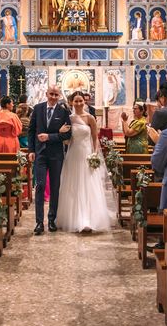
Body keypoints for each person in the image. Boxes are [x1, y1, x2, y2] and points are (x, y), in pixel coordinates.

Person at [55, 91, 116, 232]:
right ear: (71, 102)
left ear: (84, 102)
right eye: (75, 101)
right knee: (74, 185)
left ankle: (89, 218)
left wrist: (95, 154)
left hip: (87, 154)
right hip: (73, 154)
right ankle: (75, 218)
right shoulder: (68, 118)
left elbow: (95, 137)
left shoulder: (90, 118)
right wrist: (60, 132)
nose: (78, 103)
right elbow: (66, 140)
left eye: (80, 101)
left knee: (88, 184)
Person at [28, 85, 72, 235]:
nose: (53, 97)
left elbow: (67, 135)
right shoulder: (38, 108)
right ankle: (39, 222)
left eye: (56, 95)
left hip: (56, 154)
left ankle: (51, 219)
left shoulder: (63, 111)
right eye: (51, 94)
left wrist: (50, 137)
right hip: (40, 153)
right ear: (46, 94)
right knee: (40, 186)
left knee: (54, 187)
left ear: (59, 96)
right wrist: (31, 150)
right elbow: (32, 130)